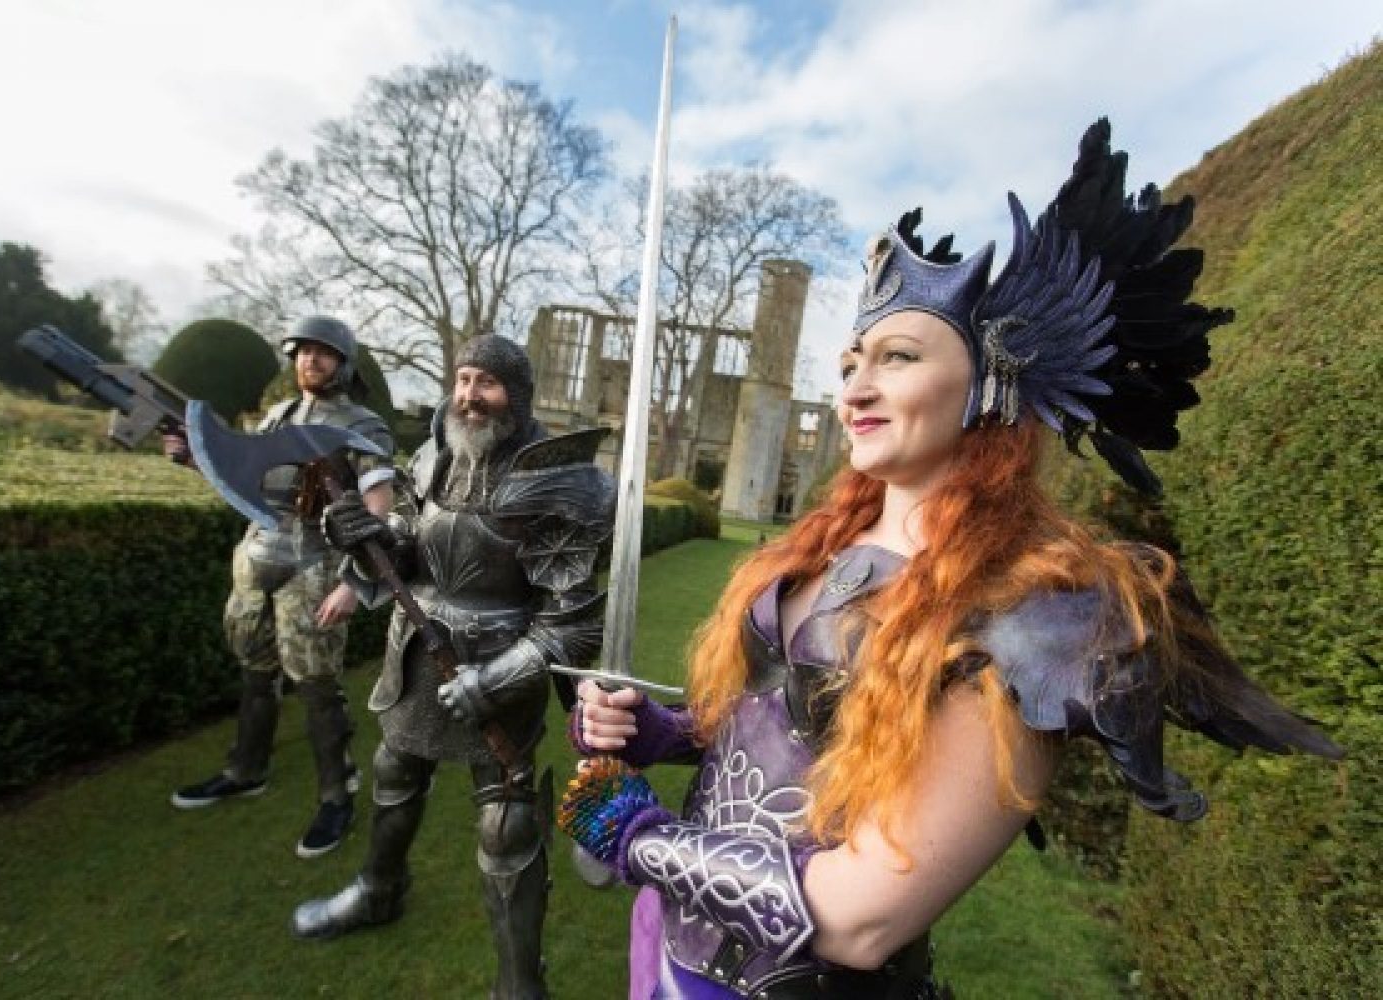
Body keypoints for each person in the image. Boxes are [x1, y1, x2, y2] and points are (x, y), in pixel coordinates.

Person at [560, 119, 1343, 999]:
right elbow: (781, 725)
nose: (855, 385)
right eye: (853, 359)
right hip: (662, 950)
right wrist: (666, 731)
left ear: (988, 386)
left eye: (897, 358)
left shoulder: (1033, 612)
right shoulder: (822, 547)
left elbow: (864, 919)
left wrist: (640, 840)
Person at [292, 334, 615, 1000]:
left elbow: (574, 622)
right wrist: (367, 537)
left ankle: (519, 985)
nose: (469, 395)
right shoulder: (433, 454)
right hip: (417, 650)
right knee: (392, 771)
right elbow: (412, 551)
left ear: (517, 396)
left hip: (504, 669)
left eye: (486, 382)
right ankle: (379, 890)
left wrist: (497, 679)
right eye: (463, 378)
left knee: (506, 823)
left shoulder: (563, 481)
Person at [166, 315, 395, 861]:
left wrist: (355, 580)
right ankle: (245, 770)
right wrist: (195, 458)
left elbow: (379, 505)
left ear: (343, 362)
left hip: (314, 567)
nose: (309, 361)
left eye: (322, 353)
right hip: (258, 559)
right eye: (302, 352)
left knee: (315, 685)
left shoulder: (364, 426)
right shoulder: (277, 418)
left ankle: (336, 794)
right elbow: (245, 483)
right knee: (255, 671)